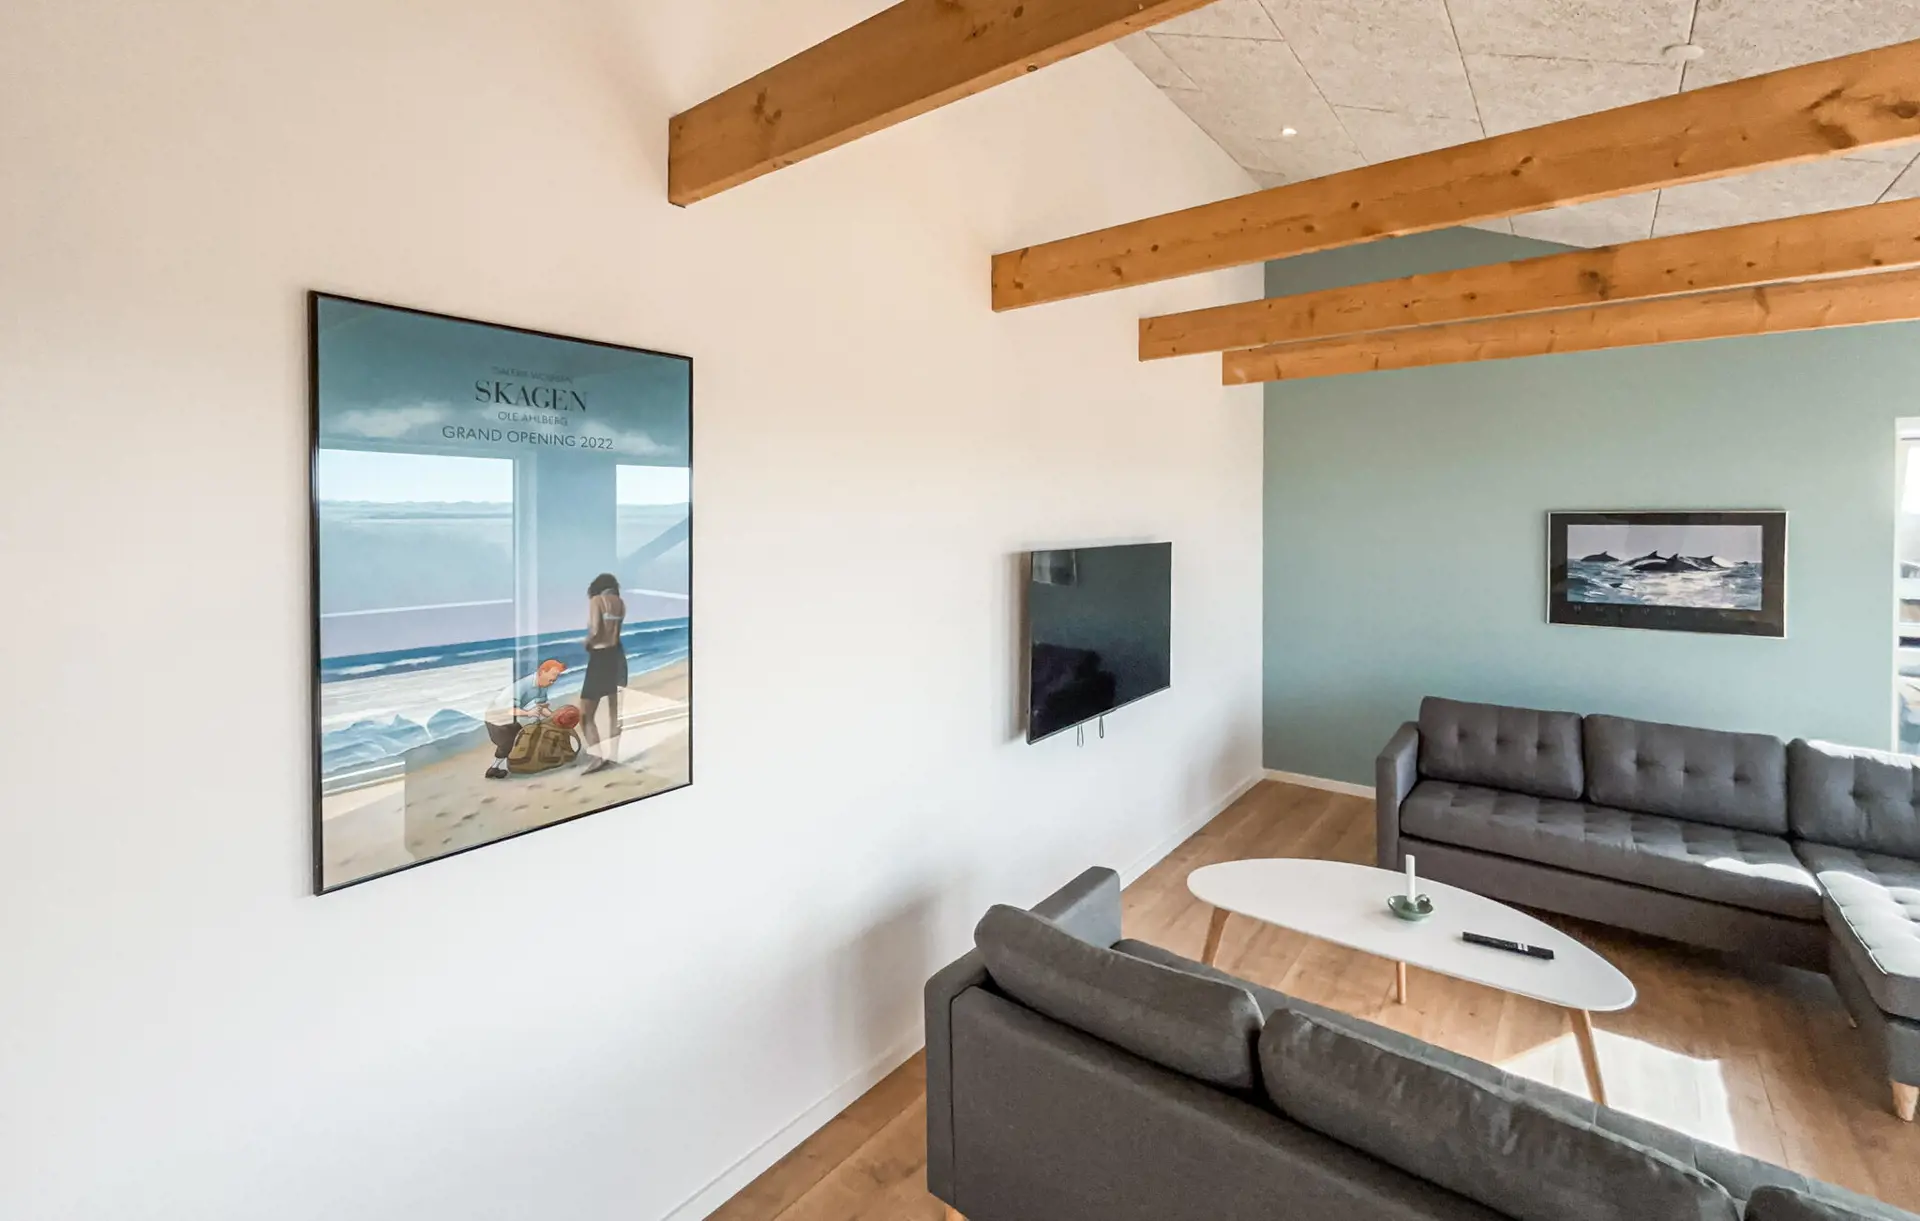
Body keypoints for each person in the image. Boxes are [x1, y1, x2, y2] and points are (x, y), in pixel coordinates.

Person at [482, 658, 566, 780]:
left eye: (556, 677)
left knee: (521, 738)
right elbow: (509, 710)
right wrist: (528, 713)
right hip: (496, 714)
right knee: (507, 743)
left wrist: (554, 717)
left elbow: (541, 706)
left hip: (510, 716)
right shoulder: (523, 686)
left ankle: (512, 764)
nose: (554, 680)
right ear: (542, 672)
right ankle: (494, 769)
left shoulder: (543, 686)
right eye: (553, 676)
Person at [579, 573, 628, 774]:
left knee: (585, 714)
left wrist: (586, 643)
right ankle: (614, 756)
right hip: (617, 656)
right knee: (614, 712)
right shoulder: (621, 604)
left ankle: (598, 758)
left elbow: (596, 630)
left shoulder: (597, 601)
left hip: (600, 659)